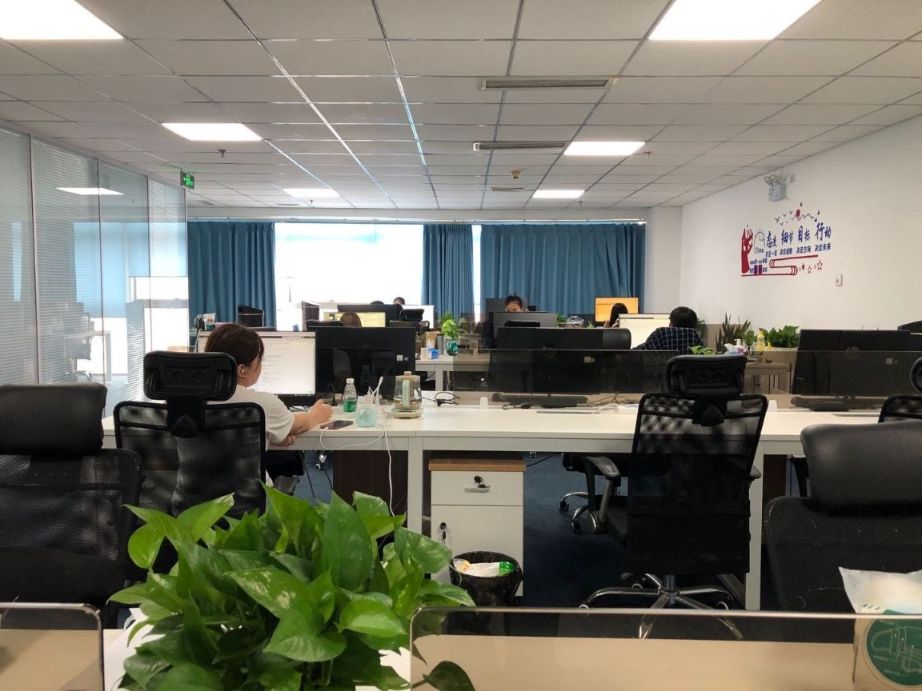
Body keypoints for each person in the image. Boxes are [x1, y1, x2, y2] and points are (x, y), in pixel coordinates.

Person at [205, 323, 332, 447]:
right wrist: (318, 414)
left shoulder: (195, 398)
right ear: (242, 370)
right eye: (259, 360)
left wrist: (264, 438)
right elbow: (299, 426)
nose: (261, 364)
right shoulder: (262, 403)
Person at [633, 306, 704, 353]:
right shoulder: (694, 336)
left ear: (671, 324)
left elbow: (643, 353)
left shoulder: (660, 333)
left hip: (659, 371)